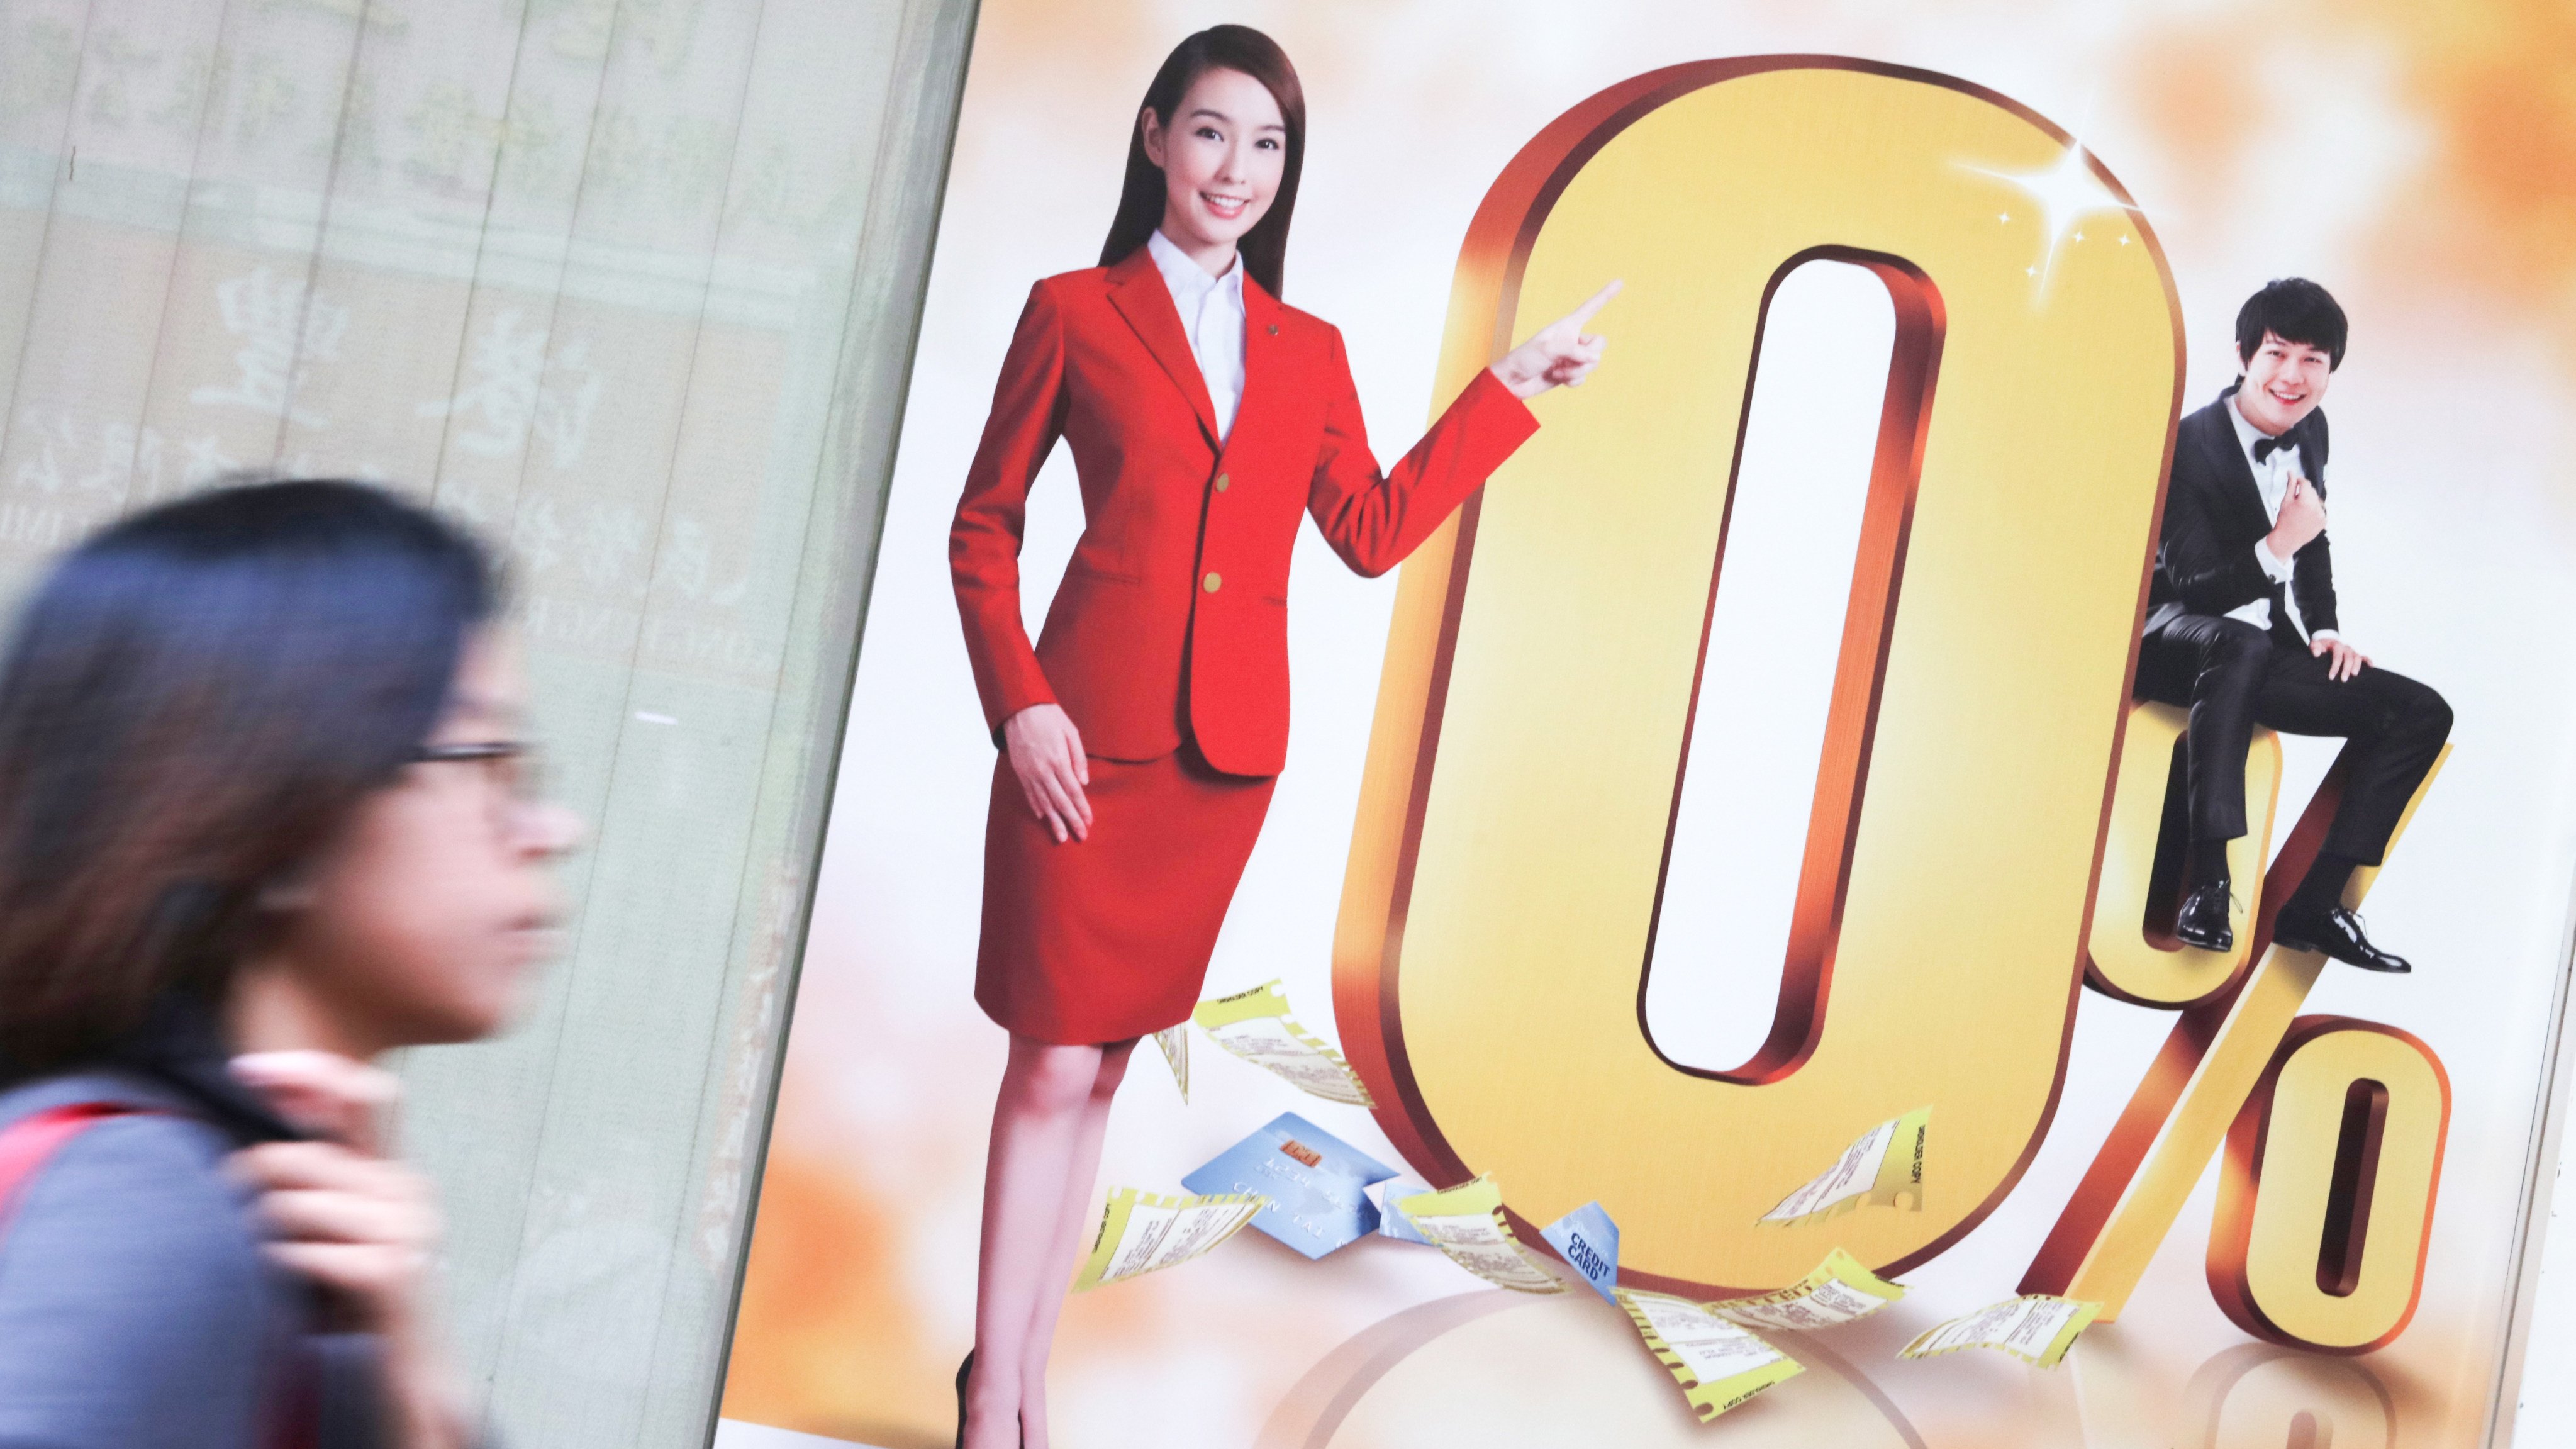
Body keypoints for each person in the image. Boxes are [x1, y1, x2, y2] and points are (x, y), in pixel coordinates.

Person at [944, 23, 1616, 1449]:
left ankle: (1026, 1371)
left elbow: (1369, 533)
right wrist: (1023, 705)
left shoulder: (1306, 350)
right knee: (1050, 1063)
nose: (1236, 168)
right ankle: (992, 1387)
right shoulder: (1073, 310)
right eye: (1210, 132)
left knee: (1110, 1065)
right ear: (1154, 137)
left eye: (1267, 145)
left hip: (1218, 761)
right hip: (1081, 740)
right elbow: (983, 527)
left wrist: (1511, 391)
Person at [0, 479, 581, 1447]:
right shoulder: (146, 1199)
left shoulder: (246, 1197)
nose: (552, 828)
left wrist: (415, 1393)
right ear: (275, 795)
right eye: (488, 761)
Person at [2134, 278, 2450, 971]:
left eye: (2314, 360)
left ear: (2331, 369)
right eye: (2278, 353)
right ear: (2245, 353)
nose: (2293, 376)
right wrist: (2280, 543)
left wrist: (2324, 626)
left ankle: (2316, 906)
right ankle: (2209, 883)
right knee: (2237, 639)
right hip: (2174, 637)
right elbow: (2199, 588)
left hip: (2260, 649)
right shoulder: (2187, 445)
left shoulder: (2311, 427)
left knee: (2422, 710)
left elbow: (2314, 537)